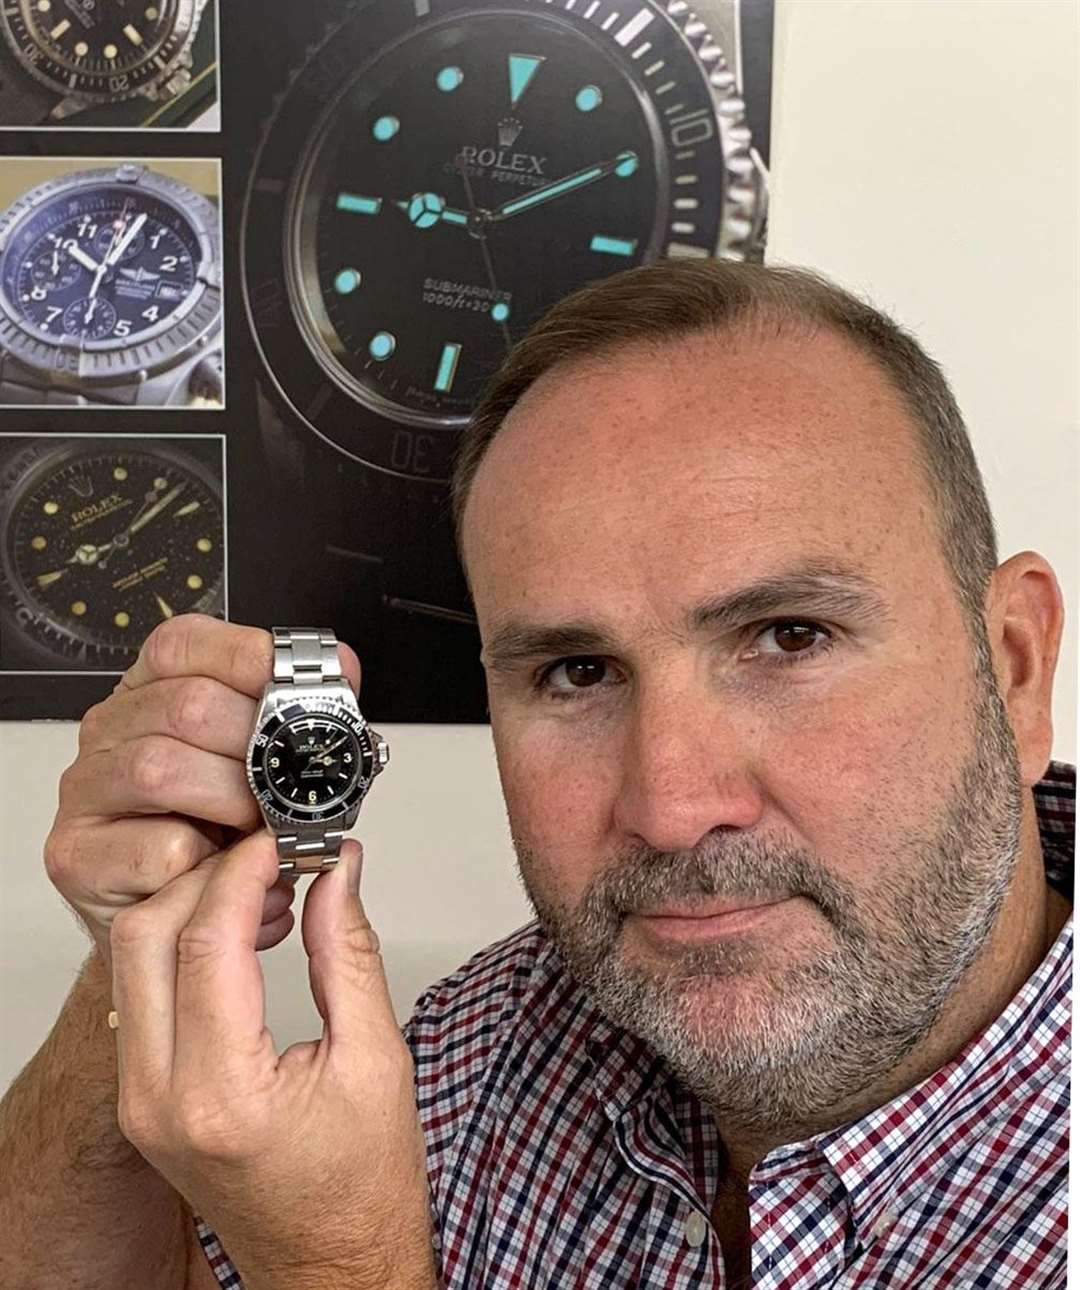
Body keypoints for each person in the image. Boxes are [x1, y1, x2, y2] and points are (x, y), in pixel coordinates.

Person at [0, 261, 1070, 1290]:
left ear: (1015, 667)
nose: (671, 808)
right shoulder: (499, 1034)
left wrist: (337, 1270)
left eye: (789, 637)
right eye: (578, 671)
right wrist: (140, 955)